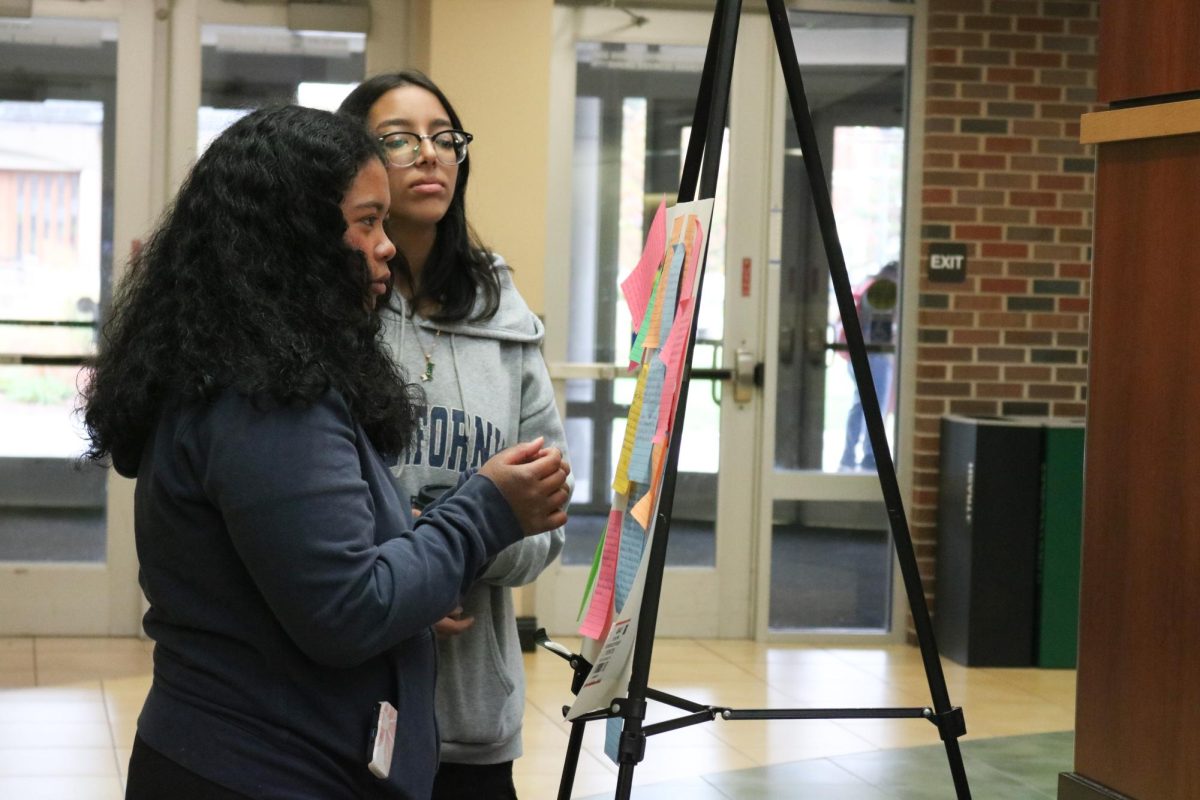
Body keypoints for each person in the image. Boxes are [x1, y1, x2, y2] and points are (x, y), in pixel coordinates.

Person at [79, 105, 569, 800]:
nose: (386, 245)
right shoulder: (264, 395)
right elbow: (346, 609)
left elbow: (315, 574)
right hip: (258, 769)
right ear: (297, 238)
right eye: (366, 222)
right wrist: (483, 510)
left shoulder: (245, 364)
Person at [338, 72, 569, 800]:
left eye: (444, 139)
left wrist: (457, 553)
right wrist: (399, 579)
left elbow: (548, 515)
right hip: (348, 705)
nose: (429, 155)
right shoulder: (326, 315)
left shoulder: (503, 314)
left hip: (472, 718)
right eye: (400, 139)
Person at [838, 260, 899, 471]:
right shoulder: (884, 288)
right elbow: (880, 329)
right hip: (875, 355)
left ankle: (848, 454)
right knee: (876, 406)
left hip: (858, 352)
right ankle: (871, 455)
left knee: (860, 405)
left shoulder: (869, 284)